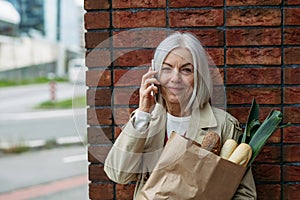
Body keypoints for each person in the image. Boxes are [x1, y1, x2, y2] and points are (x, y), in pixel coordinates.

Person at [104, 32, 257, 199]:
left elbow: (245, 194)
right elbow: (118, 174)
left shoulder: (223, 125)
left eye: (186, 70)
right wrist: (143, 112)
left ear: (199, 76)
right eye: (167, 68)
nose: (175, 78)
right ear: (155, 74)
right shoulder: (145, 122)